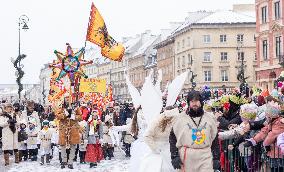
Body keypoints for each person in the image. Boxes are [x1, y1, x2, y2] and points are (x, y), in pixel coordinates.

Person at [169, 90, 218, 172]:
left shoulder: (210, 118)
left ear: (201, 102)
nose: (194, 103)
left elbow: (215, 138)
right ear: (189, 103)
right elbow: (173, 137)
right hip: (187, 157)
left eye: (197, 101)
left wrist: (216, 158)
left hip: (205, 155)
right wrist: (174, 156)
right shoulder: (180, 118)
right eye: (192, 101)